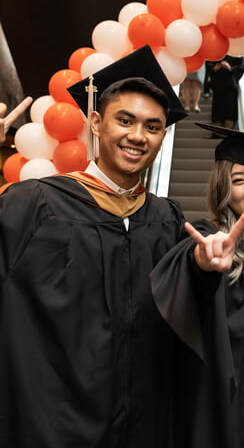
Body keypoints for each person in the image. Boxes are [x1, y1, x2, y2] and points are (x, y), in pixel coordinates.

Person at [0, 46, 188, 448]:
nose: (138, 136)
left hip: (144, 421)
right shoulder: (34, 203)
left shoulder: (167, 220)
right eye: (126, 120)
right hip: (56, 422)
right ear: (97, 123)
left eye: (153, 127)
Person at [150, 123, 244, 448]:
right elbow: (190, 271)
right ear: (223, 186)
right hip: (222, 400)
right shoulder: (212, 238)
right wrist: (204, 264)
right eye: (238, 180)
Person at [205, 55, 244, 129]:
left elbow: (241, 67)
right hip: (218, 85)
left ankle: (229, 127)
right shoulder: (217, 53)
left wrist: (230, 68)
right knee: (217, 107)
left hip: (230, 85)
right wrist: (215, 68)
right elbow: (209, 66)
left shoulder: (237, 54)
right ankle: (217, 128)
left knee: (230, 106)